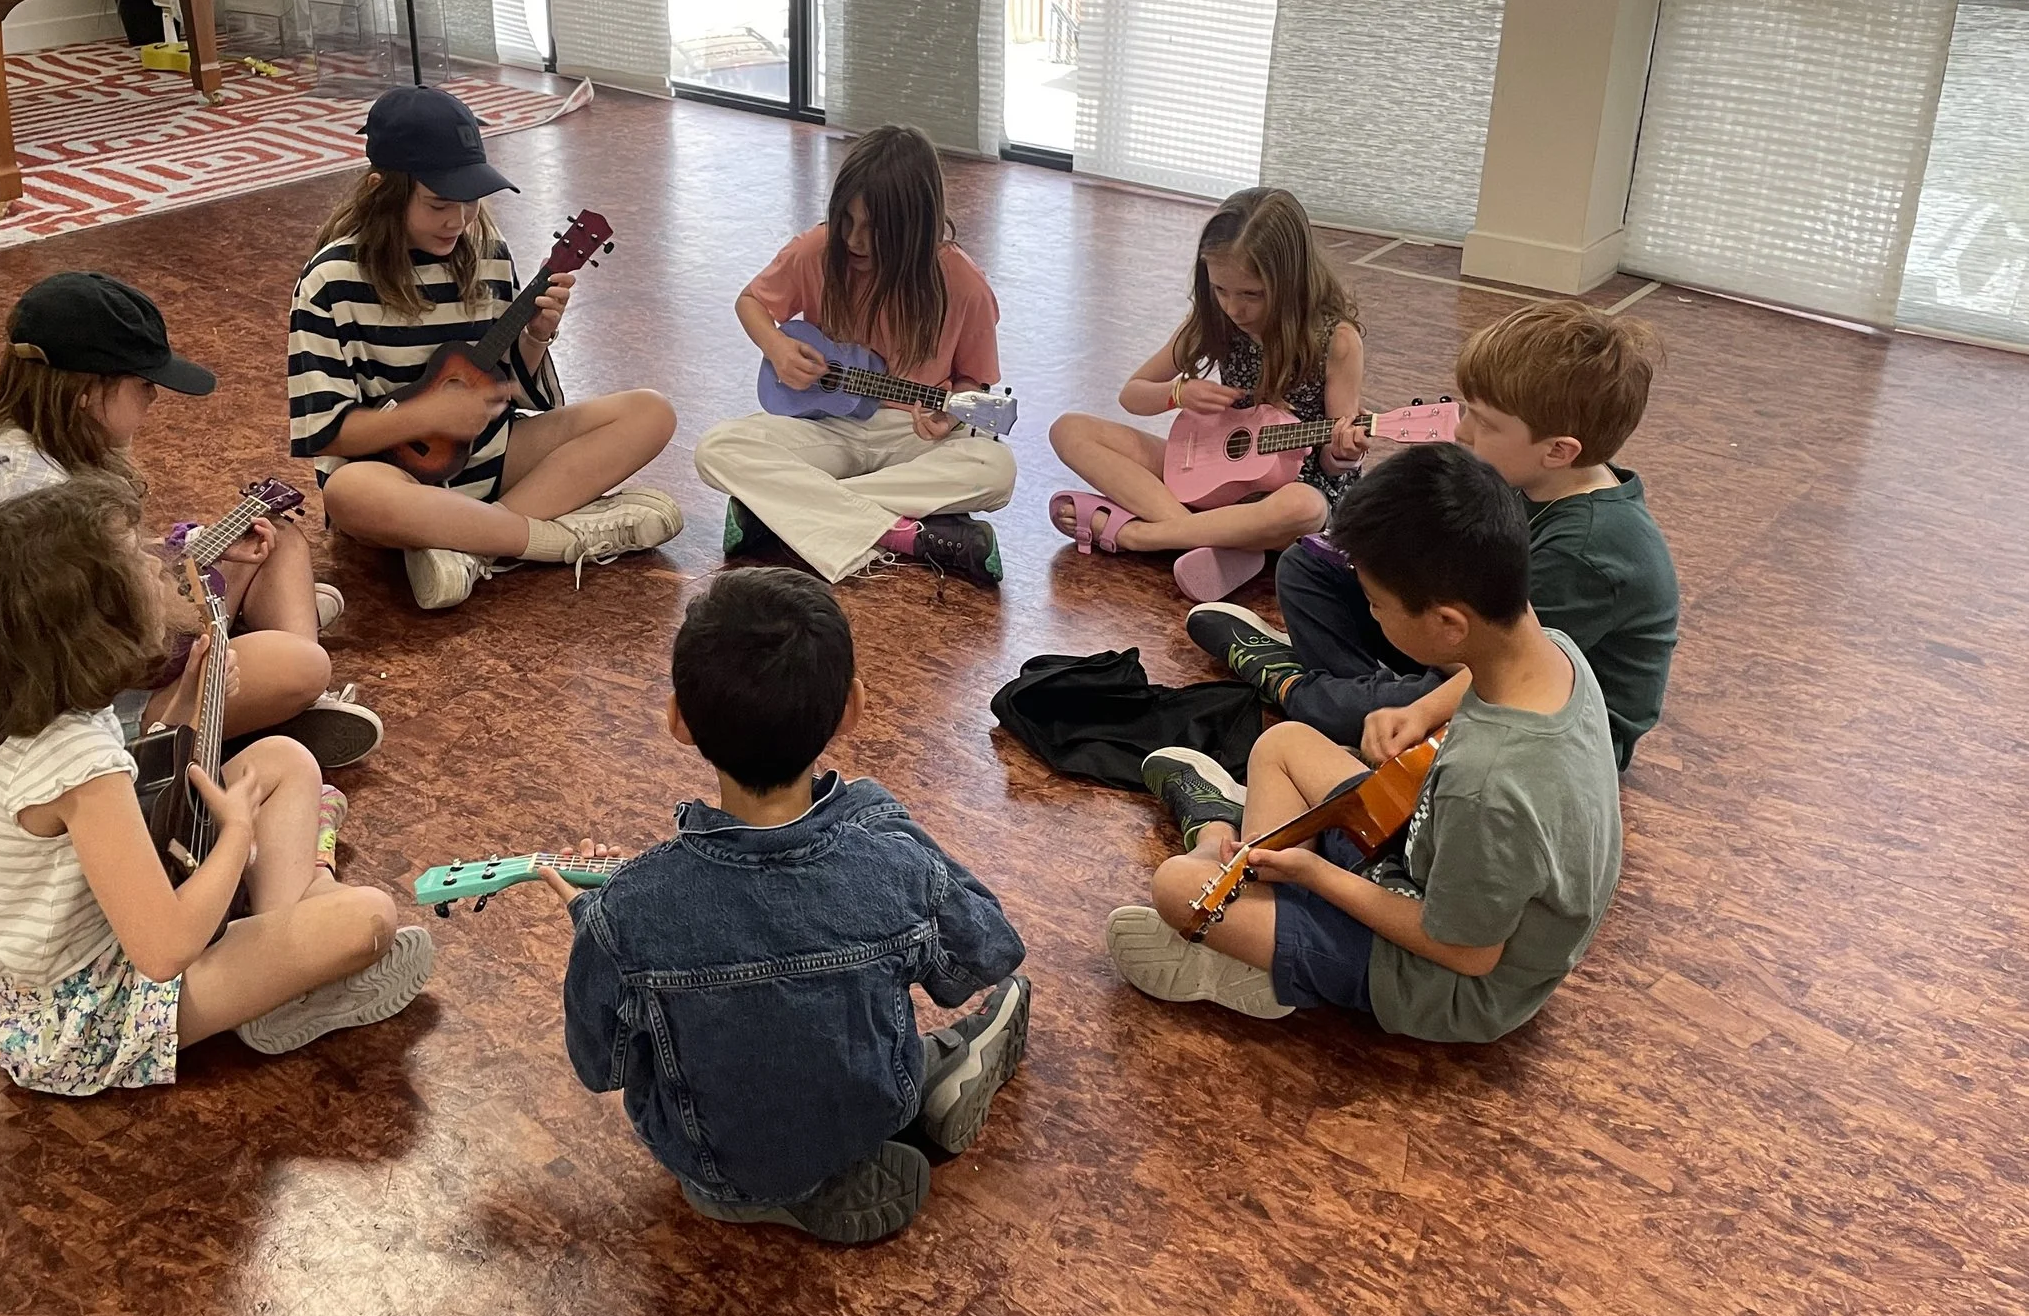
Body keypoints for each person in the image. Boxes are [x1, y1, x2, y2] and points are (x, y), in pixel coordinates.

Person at [546, 568, 1029, 1243]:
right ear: (852, 707)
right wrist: (873, 813)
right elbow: (990, 949)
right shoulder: (894, 861)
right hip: (867, 1116)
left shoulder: (623, 912)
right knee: (878, 1028)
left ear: (678, 718)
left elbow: (601, 1066)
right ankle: (928, 1073)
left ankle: (749, 1193)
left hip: (706, 1164)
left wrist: (594, 927)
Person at [0, 475, 433, 1096]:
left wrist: (193, 693)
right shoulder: (78, 764)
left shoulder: (26, 710)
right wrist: (236, 835)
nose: (151, 558)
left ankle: (284, 955)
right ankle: (297, 944)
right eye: (133, 552)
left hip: (64, 974)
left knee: (284, 758)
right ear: (94, 617)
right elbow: (163, 952)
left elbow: (149, 774)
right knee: (369, 919)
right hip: (89, 1020)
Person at [1108, 444, 1622, 1044]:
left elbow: (1469, 955)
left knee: (1175, 885)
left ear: (1449, 623)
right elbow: (1464, 694)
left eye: (1377, 606)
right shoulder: (1552, 647)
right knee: (1284, 744)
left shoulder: (1488, 784)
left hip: (1445, 981)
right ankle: (1256, 886)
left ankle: (1254, 942)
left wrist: (1314, 876)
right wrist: (1420, 709)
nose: (1373, 618)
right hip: (1429, 857)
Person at [1186, 299, 1678, 774]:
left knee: (1341, 711)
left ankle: (1294, 684)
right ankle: (1358, 691)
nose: (1461, 431)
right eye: (1468, 410)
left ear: (1558, 451)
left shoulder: (1587, 552)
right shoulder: (1529, 476)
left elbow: (1507, 668)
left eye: (1484, 422)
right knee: (1306, 566)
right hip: (1465, 643)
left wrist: (1417, 713)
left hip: (1555, 723)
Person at [0, 270, 383, 774]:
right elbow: (123, 634)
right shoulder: (40, 500)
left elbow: (109, 567)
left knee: (278, 538)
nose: (154, 396)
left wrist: (196, 549)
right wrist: (188, 598)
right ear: (86, 391)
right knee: (304, 663)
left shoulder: (27, 444)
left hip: (118, 649)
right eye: (142, 384)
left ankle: (273, 699)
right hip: (99, 706)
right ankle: (278, 703)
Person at [288, 85, 683, 612]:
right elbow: (325, 431)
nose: (460, 219)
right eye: (439, 204)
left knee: (650, 412)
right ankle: (556, 540)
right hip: (396, 480)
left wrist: (537, 336)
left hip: (492, 461)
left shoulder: (487, 254)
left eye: (472, 200)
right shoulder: (331, 281)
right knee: (349, 492)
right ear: (383, 190)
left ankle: (473, 555)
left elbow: (506, 389)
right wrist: (428, 414)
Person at [694, 125, 1012, 587]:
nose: (855, 240)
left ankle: (782, 514)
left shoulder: (964, 284)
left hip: (914, 440)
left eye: (875, 229)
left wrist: (947, 416)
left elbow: (973, 383)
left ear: (915, 228)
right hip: (827, 428)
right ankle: (899, 532)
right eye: (847, 220)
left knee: (997, 470)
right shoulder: (818, 250)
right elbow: (751, 302)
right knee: (716, 448)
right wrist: (777, 346)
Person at [1047, 186, 1366, 603]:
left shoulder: (1336, 340)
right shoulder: (1212, 320)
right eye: (1220, 290)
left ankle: (1140, 535)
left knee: (1304, 508)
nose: (1234, 308)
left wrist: (1343, 451)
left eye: (1252, 294)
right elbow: (1133, 394)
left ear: (1290, 280)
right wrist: (1178, 393)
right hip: (1213, 469)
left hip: (1286, 493)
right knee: (1069, 430)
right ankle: (1207, 540)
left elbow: (1333, 460)